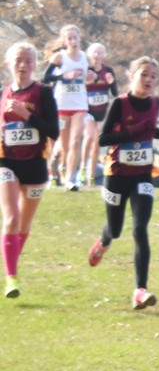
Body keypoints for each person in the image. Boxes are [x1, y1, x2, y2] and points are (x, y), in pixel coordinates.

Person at [88, 55, 159, 308]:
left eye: (153, 76)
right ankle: (104, 241)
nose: (148, 80)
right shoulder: (120, 103)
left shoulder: (156, 102)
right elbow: (103, 139)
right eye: (144, 74)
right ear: (132, 76)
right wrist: (129, 134)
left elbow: (151, 131)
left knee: (140, 229)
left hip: (143, 177)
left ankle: (140, 290)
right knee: (115, 229)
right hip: (116, 176)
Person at [1, 42, 58, 298]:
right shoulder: (1, 93)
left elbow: (54, 131)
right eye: (18, 60)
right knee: (11, 218)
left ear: (35, 65)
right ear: (8, 64)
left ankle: (10, 262)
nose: (23, 66)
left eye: (28, 61)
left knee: (23, 225)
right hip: (6, 162)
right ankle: (11, 279)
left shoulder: (43, 93)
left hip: (35, 166)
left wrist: (27, 115)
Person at [44, 24, 91, 189]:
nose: (73, 41)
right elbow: (45, 78)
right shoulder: (60, 58)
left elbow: (86, 78)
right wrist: (64, 77)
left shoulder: (85, 57)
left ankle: (70, 179)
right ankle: (57, 164)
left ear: (80, 38)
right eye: (69, 38)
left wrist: (90, 77)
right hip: (62, 106)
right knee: (63, 146)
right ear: (64, 41)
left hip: (79, 105)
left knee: (75, 142)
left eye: (75, 37)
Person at [81, 43, 116, 185]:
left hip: (102, 112)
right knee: (89, 137)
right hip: (87, 111)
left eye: (100, 52)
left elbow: (115, 93)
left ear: (104, 55)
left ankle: (91, 176)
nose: (97, 55)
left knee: (97, 143)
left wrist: (111, 82)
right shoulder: (85, 70)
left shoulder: (108, 71)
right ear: (90, 55)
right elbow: (77, 89)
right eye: (95, 52)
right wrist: (85, 81)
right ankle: (83, 167)